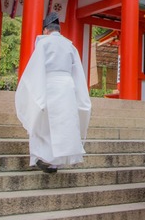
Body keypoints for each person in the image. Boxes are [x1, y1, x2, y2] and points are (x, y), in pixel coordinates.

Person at [14, 12, 90, 174]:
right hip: (67, 88)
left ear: (46, 30)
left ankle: (45, 159)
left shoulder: (44, 43)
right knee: (64, 125)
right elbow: (77, 71)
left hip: (49, 85)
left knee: (44, 123)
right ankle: (57, 163)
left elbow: (36, 68)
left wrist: (33, 88)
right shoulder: (70, 46)